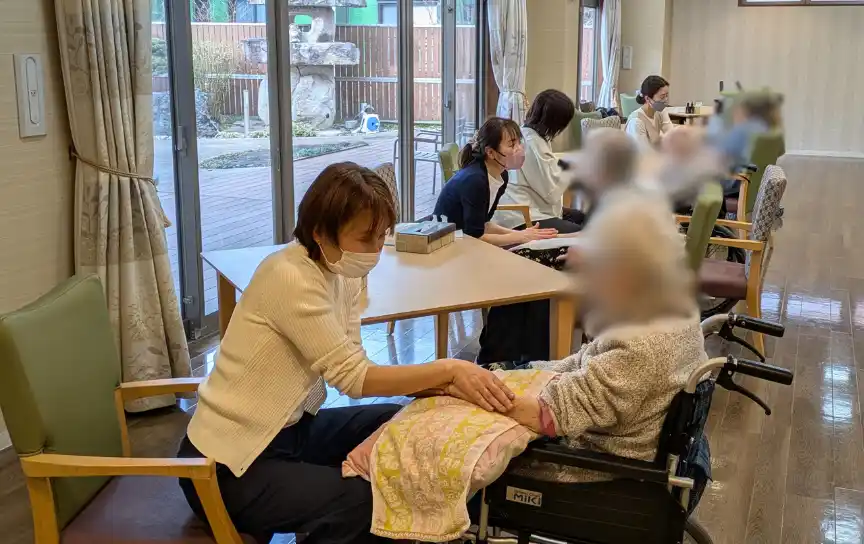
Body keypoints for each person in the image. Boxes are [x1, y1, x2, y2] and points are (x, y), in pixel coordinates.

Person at [177, 162, 515, 544]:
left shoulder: (342, 274)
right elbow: (352, 378)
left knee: (396, 421)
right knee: (366, 502)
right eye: (365, 238)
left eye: (381, 237)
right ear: (320, 231)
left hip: (288, 433)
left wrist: (441, 387)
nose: (376, 250)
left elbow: (356, 361)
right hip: (228, 463)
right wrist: (449, 371)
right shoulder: (289, 275)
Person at [502, 182, 709, 484]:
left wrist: (469, 386)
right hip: (623, 437)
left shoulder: (639, 344)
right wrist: (521, 371)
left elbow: (551, 414)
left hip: (597, 469)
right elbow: (584, 364)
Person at [433, 116, 558, 247]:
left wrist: (521, 234)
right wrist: (519, 236)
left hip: (464, 240)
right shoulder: (475, 180)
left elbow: (485, 224)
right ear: (491, 152)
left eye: (519, 142)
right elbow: (475, 236)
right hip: (444, 242)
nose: (519, 148)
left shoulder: (501, 175)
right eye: (512, 145)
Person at [495, 89, 585, 233]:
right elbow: (550, 192)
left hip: (529, 205)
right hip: (521, 215)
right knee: (580, 231)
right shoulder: (532, 143)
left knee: (584, 218)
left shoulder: (528, 134)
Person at [625, 75, 674, 149]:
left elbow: (672, 136)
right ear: (648, 99)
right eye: (662, 96)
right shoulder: (636, 122)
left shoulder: (660, 111)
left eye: (667, 95)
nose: (666, 100)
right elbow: (642, 153)